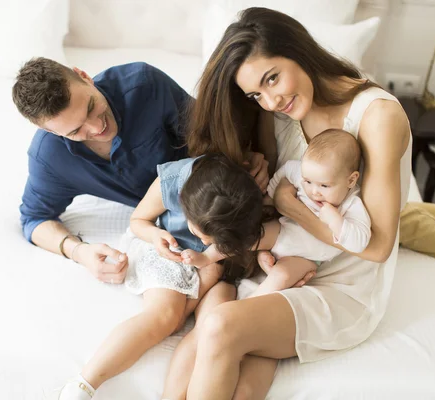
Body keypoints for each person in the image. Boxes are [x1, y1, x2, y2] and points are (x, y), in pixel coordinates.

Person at [163, 7, 413, 400]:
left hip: (344, 284)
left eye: (272, 78)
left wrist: (289, 204)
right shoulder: (278, 113)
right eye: (255, 94)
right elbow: (276, 195)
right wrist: (257, 178)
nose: (270, 99)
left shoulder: (376, 116)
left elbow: (378, 248)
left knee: (220, 327)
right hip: (283, 261)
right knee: (218, 329)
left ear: (298, 50)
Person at [11, 58, 270, 284]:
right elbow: (34, 220)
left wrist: (244, 158)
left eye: (91, 107)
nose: (96, 127)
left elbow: (209, 138)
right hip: (162, 230)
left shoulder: (144, 84)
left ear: (84, 76)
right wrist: (79, 252)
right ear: (51, 132)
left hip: (212, 201)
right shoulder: (49, 157)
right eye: (75, 131)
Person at [54, 154, 265, 399]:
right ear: (186, 206)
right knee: (164, 317)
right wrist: (156, 236)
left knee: (213, 327)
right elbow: (138, 221)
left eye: (215, 240)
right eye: (203, 234)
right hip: (165, 246)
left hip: (216, 267)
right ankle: (83, 384)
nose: (207, 242)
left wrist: (213, 258)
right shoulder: (174, 181)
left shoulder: (239, 201)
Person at [184, 129, 371, 298]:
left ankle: (252, 301)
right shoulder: (307, 173)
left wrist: (336, 220)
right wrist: (270, 197)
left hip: (307, 256)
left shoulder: (352, 204)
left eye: (324, 185)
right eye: (307, 182)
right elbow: (288, 169)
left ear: (351, 180)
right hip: (284, 229)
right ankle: (207, 257)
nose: (314, 191)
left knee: (283, 276)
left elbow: (360, 242)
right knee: (248, 238)